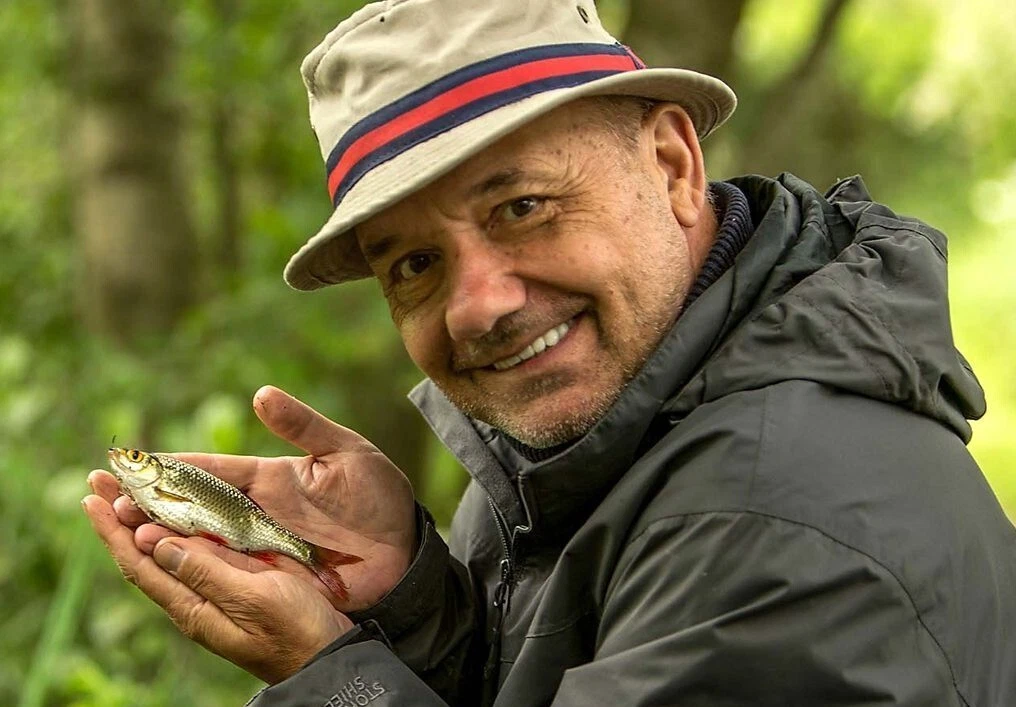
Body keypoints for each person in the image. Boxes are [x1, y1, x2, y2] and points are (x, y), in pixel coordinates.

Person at [83, 0, 1016, 705]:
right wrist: (418, 600)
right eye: (414, 263)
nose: (479, 304)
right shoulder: (594, 443)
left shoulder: (780, 532)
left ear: (673, 165)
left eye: (522, 206)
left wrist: (333, 677)